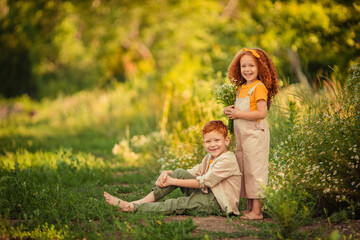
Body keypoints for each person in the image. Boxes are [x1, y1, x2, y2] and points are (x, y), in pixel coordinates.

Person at [104, 120, 242, 215]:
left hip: (218, 202)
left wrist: (171, 181)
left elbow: (202, 181)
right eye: (208, 141)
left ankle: (132, 207)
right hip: (207, 193)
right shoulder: (209, 158)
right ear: (204, 142)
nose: (213, 145)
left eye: (217, 140)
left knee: (177, 203)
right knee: (179, 172)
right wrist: (168, 173)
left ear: (226, 141)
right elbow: (193, 172)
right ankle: (141, 202)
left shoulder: (228, 159)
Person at [223, 48, 279, 220]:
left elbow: (261, 114)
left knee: (255, 170)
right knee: (245, 168)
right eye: (243, 66)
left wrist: (238, 115)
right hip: (243, 136)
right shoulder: (242, 87)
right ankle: (249, 207)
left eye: (251, 66)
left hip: (255, 134)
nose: (247, 69)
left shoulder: (259, 87)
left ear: (260, 68)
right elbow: (240, 110)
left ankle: (257, 211)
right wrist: (229, 110)